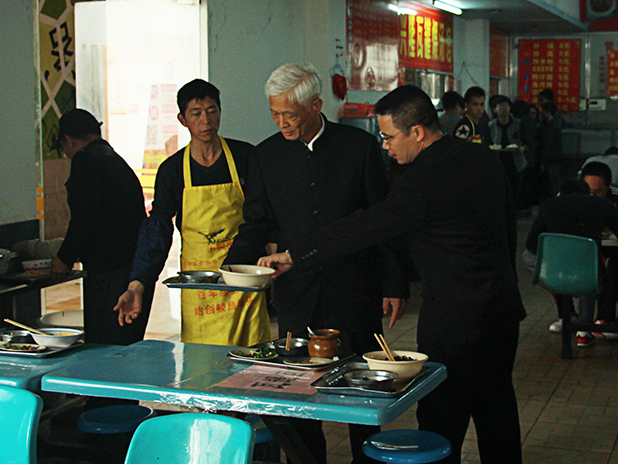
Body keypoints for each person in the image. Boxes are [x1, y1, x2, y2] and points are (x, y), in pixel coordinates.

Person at [259, 85, 526, 464]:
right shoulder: (483, 158)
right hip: (502, 310)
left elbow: (365, 226)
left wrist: (295, 255)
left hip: (454, 320)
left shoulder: (421, 180)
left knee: (441, 419)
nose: (385, 147)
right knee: (497, 409)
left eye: (388, 137)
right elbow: (507, 228)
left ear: (417, 131)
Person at [224, 63, 409, 464]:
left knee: (362, 392)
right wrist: (229, 270)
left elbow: (383, 219)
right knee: (300, 391)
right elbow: (256, 221)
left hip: (355, 286)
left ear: (316, 105)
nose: (281, 123)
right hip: (298, 291)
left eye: (289, 114)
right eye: (274, 113)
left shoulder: (358, 147)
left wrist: (394, 282)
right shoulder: (265, 154)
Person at [113, 79, 271, 346]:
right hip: (199, 284)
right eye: (196, 113)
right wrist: (137, 284)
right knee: (201, 360)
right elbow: (157, 230)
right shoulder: (172, 170)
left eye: (212, 111)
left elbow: (261, 215)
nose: (206, 120)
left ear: (220, 111)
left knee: (251, 357)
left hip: (241, 276)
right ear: (182, 119)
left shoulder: (245, 156)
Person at [51, 109, 150, 345]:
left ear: (70, 141)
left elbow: (84, 217)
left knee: (104, 344)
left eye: (64, 148)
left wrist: (64, 257)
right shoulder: (114, 159)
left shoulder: (85, 161)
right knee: (126, 340)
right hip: (132, 266)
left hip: (108, 271)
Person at [524, 178, 618, 345]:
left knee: (529, 256)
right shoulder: (603, 204)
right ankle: (584, 331)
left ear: (561, 193)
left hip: (554, 275)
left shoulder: (549, 204)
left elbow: (531, 244)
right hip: (589, 276)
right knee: (590, 264)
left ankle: (565, 311)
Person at [580, 162, 618, 339]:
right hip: (583, 248)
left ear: (607, 188)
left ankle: (604, 318)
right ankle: (570, 316)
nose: (592, 197)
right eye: (589, 192)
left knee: (614, 265)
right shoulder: (572, 196)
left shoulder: (615, 197)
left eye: (598, 192)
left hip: (611, 246)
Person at [487, 95, 528, 207]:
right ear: (494, 109)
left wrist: (523, 148)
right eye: (500, 106)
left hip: (515, 163)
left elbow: (527, 142)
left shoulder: (518, 123)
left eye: (506, 106)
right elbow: (487, 143)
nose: (504, 109)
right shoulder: (491, 125)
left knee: (514, 191)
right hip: (498, 162)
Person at [538, 102, 562, 197]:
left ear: (547, 112)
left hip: (550, 158)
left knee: (553, 180)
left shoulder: (551, 126)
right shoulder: (555, 124)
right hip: (553, 157)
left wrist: (543, 160)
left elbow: (548, 144)